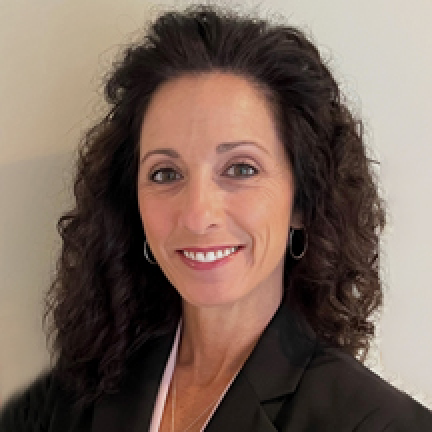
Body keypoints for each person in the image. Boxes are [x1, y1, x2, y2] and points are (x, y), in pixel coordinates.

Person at [1, 4, 431, 431]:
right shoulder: (72, 400)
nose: (197, 214)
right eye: (165, 173)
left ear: (302, 200)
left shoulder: (378, 424)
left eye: (241, 168)